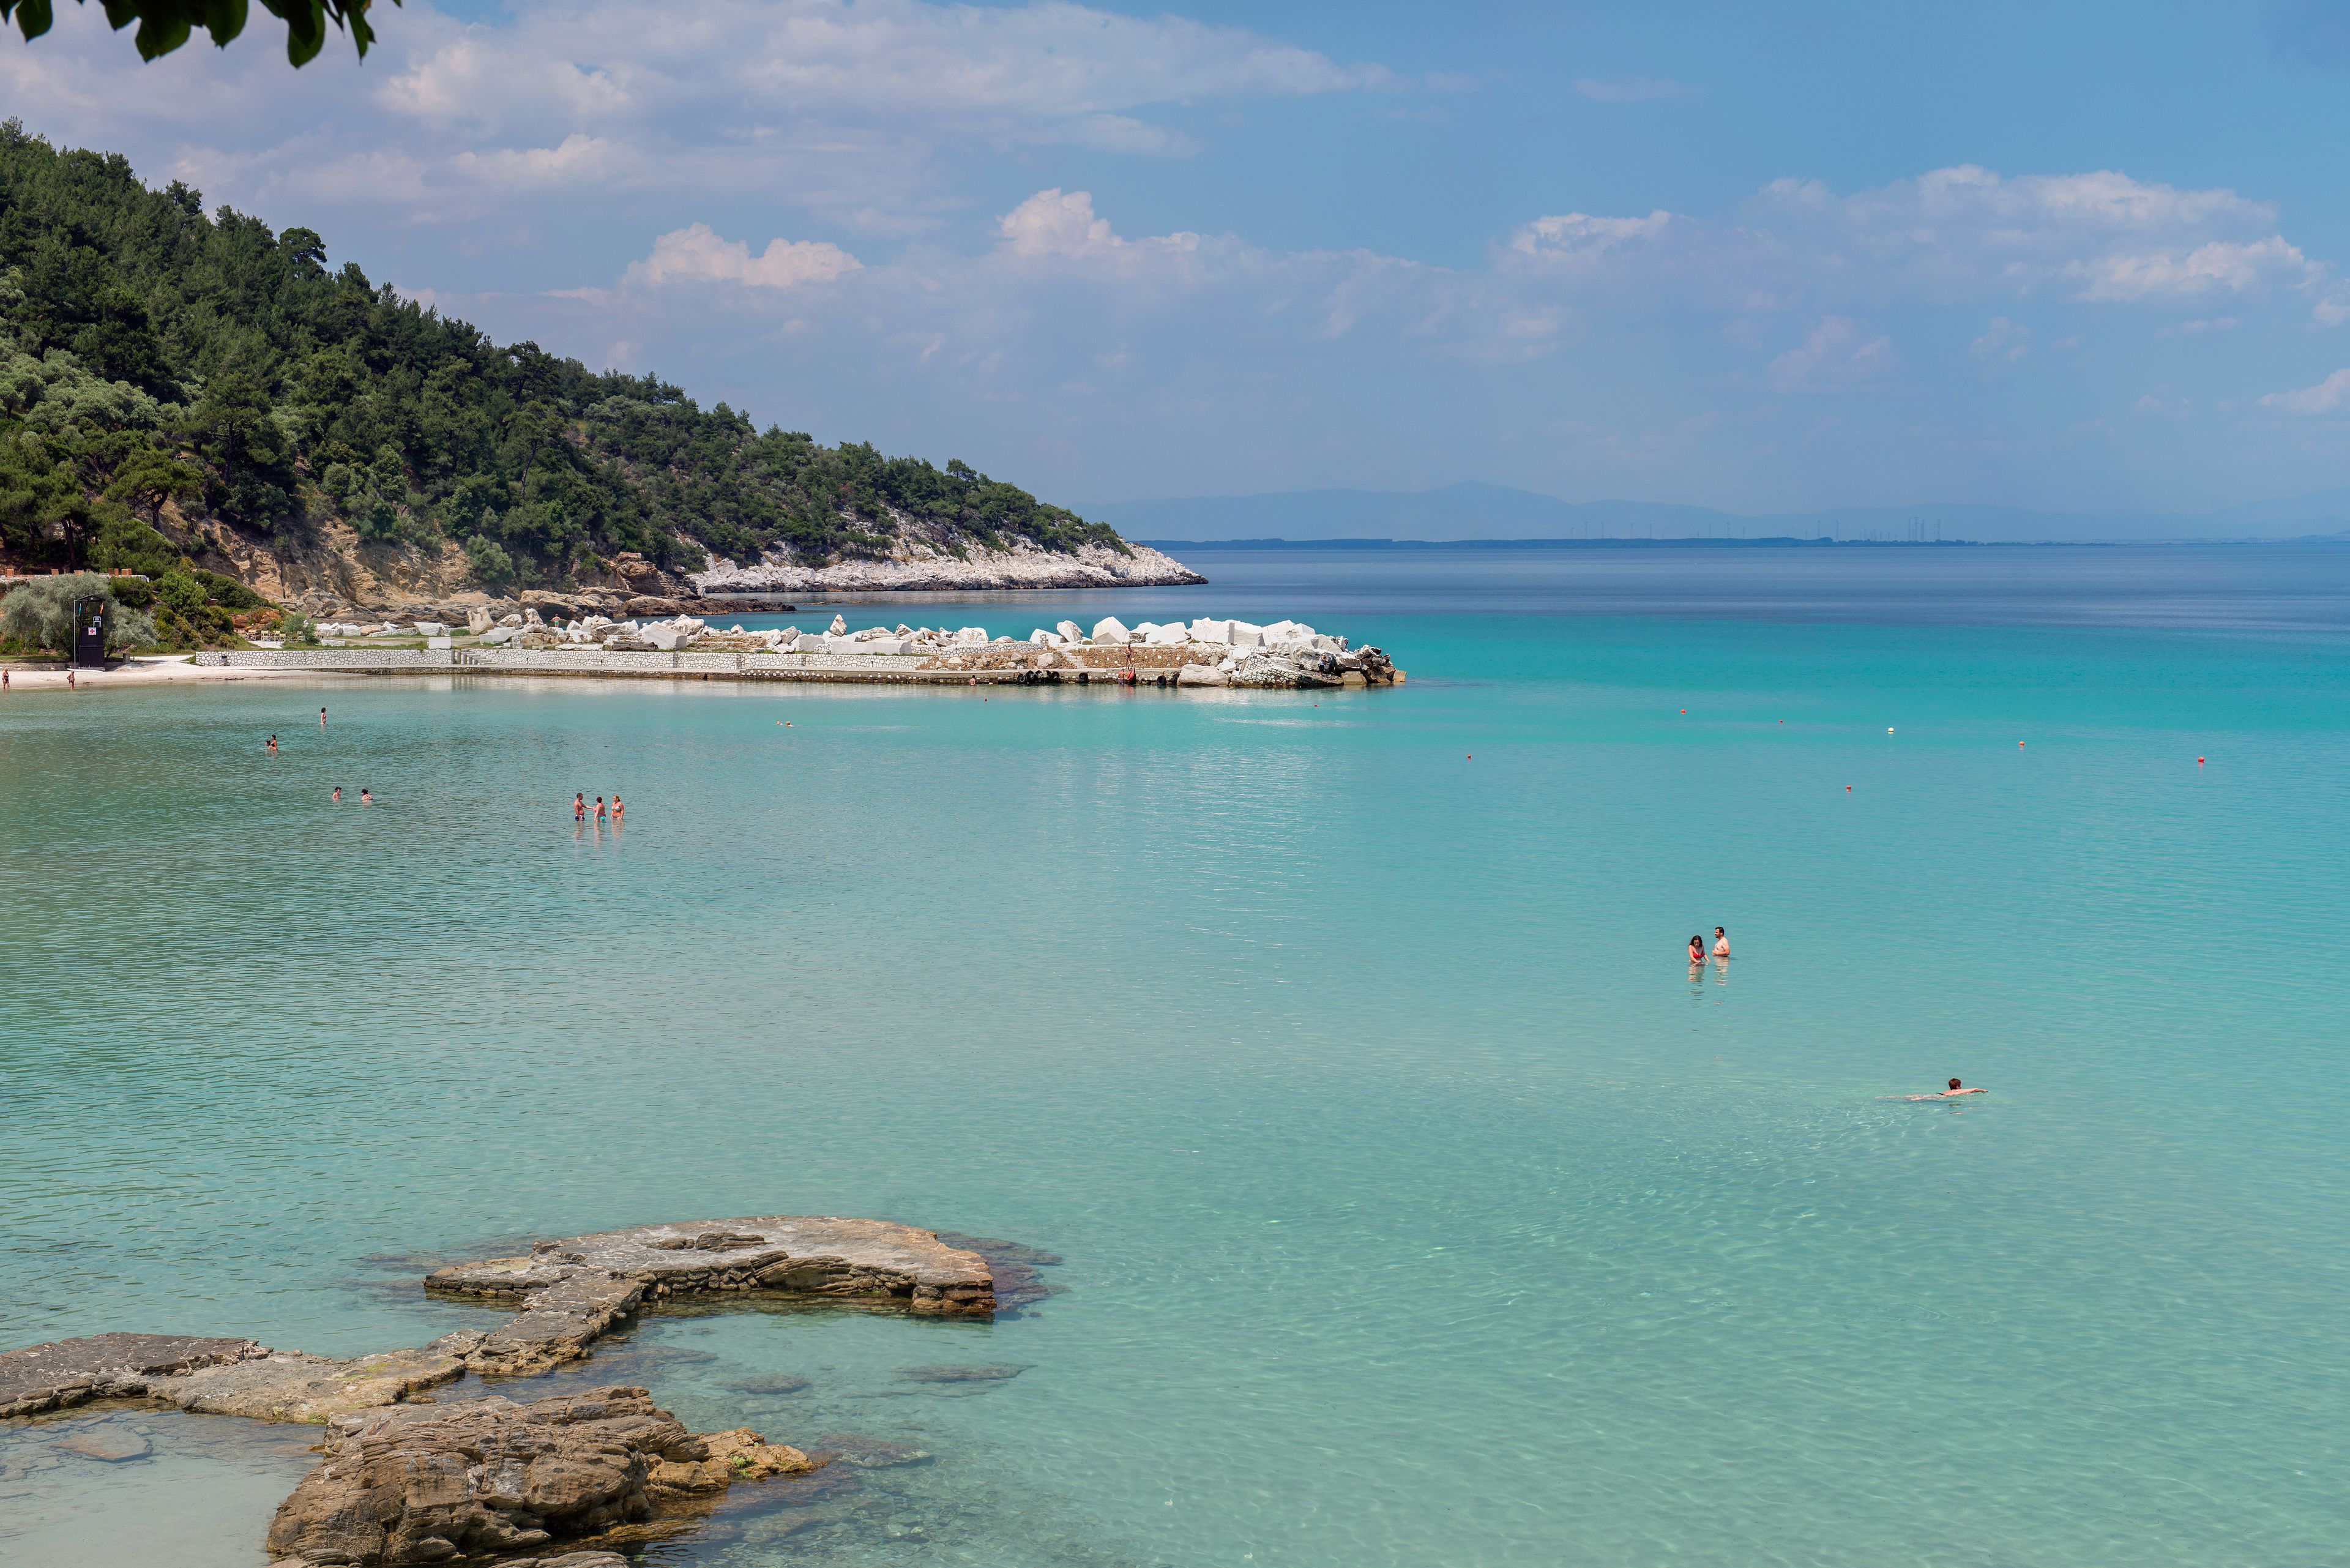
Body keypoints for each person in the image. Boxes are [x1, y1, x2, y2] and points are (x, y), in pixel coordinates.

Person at [1903, 1079, 1986, 1101]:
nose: (1961, 1087)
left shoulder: (1949, 1091)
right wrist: (1983, 1090)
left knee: (1923, 1096)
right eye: (1960, 1086)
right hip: (1942, 1098)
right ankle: (1915, 1099)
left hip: (1942, 1095)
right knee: (1921, 1099)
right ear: (1958, 1087)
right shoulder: (1958, 1091)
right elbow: (1974, 1089)